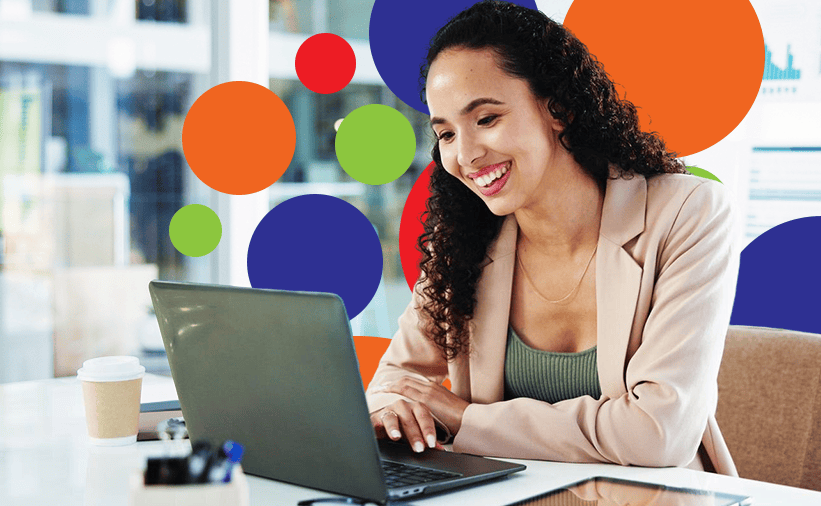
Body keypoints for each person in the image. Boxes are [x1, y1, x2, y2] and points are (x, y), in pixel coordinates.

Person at [366, 0, 739, 475]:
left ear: (558, 108)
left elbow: (656, 435)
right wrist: (392, 413)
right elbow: (396, 380)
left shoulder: (688, 214)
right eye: (446, 134)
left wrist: (466, 419)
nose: (466, 155)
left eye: (485, 119)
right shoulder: (466, 239)